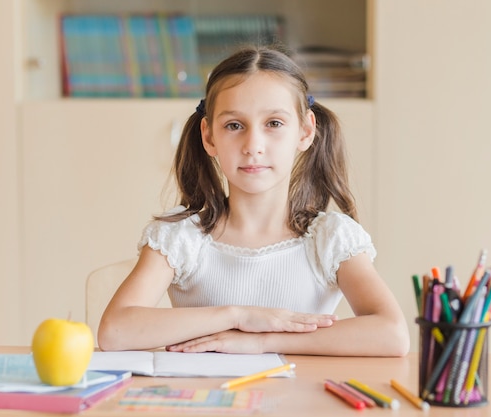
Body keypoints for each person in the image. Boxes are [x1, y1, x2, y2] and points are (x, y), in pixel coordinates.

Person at [98, 45, 409, 356]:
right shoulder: (181, 238)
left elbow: (392, 334)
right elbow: (115, 331)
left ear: (305, 131)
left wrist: (261, 341)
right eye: (234, 126)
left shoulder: (331, 239)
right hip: (204, 403)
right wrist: (240, 316)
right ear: (209, 137)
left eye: (274, 123)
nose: (253, 145)